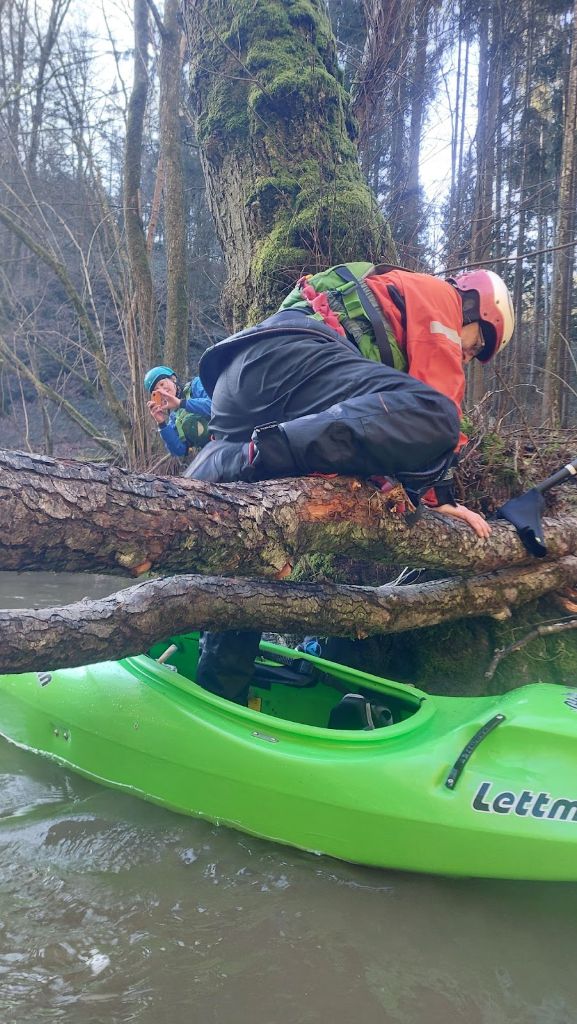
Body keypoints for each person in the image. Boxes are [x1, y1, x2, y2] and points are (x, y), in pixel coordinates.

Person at [184, 263, 515, 704]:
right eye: (479, 344)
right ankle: (240, 458)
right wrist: (435, 498)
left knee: (254, 552)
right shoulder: (443, 302)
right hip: (284, 367)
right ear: (476, 312)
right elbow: (437, 408)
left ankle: (221, 690)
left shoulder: (402, 302)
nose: (469, 354)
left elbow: (371, 423)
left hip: (245, 386)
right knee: (437, 417)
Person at [144, 365, 212, 457]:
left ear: (173, 379)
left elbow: (215, 405)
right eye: (157, 390)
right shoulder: (175, 418)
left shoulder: (196, 385)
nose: (162, 390)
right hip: (212, 453)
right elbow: (179, 450)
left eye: (162, 384)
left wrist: (181, 403)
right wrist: (162, 423)